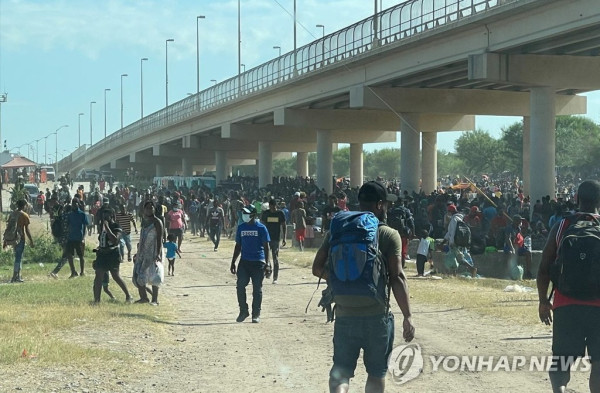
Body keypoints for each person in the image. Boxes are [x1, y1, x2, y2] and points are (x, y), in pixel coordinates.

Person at [311, 181, 414, 393]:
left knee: (341, 372)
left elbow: (317, 267)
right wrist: (407, 316)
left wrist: (340, 281)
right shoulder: (388, 234)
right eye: (385, 204)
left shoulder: (338, 230)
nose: (386, 208)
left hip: (345, 313)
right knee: (376, 373)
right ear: (379, 205)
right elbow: (398, 277)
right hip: (377, 315)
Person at [538, 180, 600, 393]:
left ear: (576, 199)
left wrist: (543, 301)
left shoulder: (562, 226)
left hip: (565, 304)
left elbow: (544, 267)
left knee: (561, 362)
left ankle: (560, 390)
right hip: (598, 308)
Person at [230, 205, 270, 323]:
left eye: (247, 213)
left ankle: (256, 313)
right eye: (244, 213)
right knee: (240, 286)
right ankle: (243, 311)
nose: (245, 215)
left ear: (253, 215)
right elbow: (238, 246)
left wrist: (267, 264)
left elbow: (266, 247)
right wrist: (233, 262)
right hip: (244, 261)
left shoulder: (261, 228)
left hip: (258, 262)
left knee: (257, 289)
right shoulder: (241, 227)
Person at [92, 208, 132, 303]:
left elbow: (115, 240)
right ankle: (97, 300)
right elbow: (103, 240)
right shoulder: (102, 227)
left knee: (115, 276)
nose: (105, 218)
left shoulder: (116, 226)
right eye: (103, 216)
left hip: (112, 254)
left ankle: (128, 295)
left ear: (112, 216)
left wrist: (107, 227)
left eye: (107, 216)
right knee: (98, 277)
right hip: (102, 254)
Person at [133, 201, 164, 305]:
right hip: (143, 252)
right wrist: (138, 251)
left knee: (155, 275)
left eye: (151, 208)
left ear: (154, 209)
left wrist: (158, 254)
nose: (149, 210)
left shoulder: (157, 222)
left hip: (154, 251)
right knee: (139, 274)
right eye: (147, 208)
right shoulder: (144, 221)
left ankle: (155, 300)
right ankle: (144, 298)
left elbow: (160, 238)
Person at [3, 199, 34, 283]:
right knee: (18, 257)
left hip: (13, 238)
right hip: (20, 238)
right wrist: (31, 240)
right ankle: (14, 276)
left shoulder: (13, 214)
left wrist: (5, 240)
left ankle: (18, 276)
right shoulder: (24, 215)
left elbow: (8, 227)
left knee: (18, 256)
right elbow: (27, 230)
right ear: (24, 206)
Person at [444, 204, 477, 277]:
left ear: (450, 212)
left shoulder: (454, 219)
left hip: (455, 242)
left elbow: (452, 232)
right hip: (462, 241)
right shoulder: (462, 217)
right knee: (454, 257)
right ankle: (453, 274)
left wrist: (451, 242)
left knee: (459, 259)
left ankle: (472, 269)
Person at [261, 199, 287, 284]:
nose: (272, 209)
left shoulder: (280, 214)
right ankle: (269, 270)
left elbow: (284, 225)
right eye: (270, 207)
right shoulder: (266, 214)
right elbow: (262, 225)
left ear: (276, 206)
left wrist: (284, 238)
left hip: (276, 238)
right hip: (266, 239)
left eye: (273, 207)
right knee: (266, 258)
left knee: (275, 257)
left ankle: (275, 278)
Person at [505, 214, 533, 279]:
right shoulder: (509, 228)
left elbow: (520, 238)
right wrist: (512, 249)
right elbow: (507, 239)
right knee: (511, 254)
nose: (520, 222)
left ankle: (528, 272)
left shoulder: (518, 228)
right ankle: (510, 273)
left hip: (518, 247)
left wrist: (523, 246)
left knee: (528, 253)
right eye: (519, 221)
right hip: (509, 246)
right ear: (515, 221)